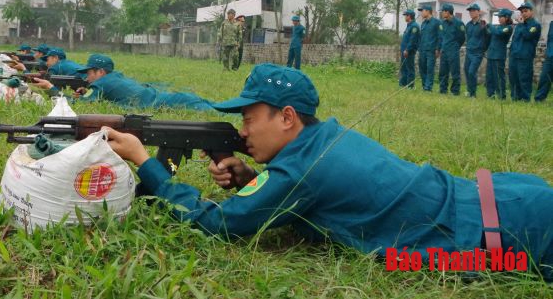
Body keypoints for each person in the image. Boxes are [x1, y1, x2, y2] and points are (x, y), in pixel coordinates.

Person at [103, 63, 553, 280]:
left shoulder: (302, 169)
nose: (243, 129)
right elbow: (301, 196)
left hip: (503, 236)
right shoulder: (324, 139)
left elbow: (218, 225)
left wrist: (146, 163)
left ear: (286, 117)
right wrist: (249, 180)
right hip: (504, 196)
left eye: (248, 118)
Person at [34, 54, 214, 111]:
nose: (87, 78)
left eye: (89, 73)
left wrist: (52, 89)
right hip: (162, 96)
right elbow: (95, 94)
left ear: (101, 72)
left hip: (160, 102)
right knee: (204, 103)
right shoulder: (113, 77)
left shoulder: (102, 83)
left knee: (212, 110)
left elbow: (77, 104)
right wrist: (88, 89)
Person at [509, 2, 542, 101]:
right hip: (514, 55)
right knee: (513, 77)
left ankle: (525, 99)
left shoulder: (535, 25)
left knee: (524, 78)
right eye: (522, 11)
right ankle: (515, 98)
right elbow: (515, 39)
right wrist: (511, 51)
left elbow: (527, 35)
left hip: (525, 56)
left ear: (531, 11)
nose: (523, 13)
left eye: (526, 11)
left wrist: (522, 24)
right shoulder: (520, 24)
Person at [485, 9, 514, 99]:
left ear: (507, 17)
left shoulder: (508, 28)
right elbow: (491, 34)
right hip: (491, 54)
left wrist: (490, 25)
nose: (498, 18)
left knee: (499, 77)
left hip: (499, 55)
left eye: (500, 17)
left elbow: (498, 33)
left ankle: (501, 95)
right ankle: (491, 94)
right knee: (489, 76)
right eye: (498, 17)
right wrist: (485, 28)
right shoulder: (497, 27)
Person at [438, 3, 465, 95]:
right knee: (443, 72)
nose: (442, 13)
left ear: (448, 12)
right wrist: (441, 47)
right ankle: (443, 90)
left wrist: (455, 46)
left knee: (455, 72)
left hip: (453, 51)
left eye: (443, 11)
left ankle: (455, 91)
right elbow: (441, 37)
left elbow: (462, 38)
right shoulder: (442, 23)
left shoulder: (459, 23)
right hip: (444, 51)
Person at [463, 3, 486, 97]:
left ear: (478, 12)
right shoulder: (468, 25)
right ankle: (469, 91)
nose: (471, 13)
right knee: (466, 70)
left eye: (473, 11)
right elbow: (467, 38)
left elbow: (487, 37)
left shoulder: (483, 24)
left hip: (477, 53)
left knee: (472, 71)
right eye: (470, 11)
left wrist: (483, 48)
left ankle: (473, 93)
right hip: (469, 51)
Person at [417, 4, 441, 92]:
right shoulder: (423, 23)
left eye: (422, 11)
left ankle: (428, 88)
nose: (421, 13)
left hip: (431, 50)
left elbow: (439, 36)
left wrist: (438, 48)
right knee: (422, 68)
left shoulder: (437, 22)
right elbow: (421, 37)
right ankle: (424, 86)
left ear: (427, 11)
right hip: (422, 50)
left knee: (430, 69)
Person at [399, 9, 420, 88]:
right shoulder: (409, 26)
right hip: (404, 51)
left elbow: (412, 40)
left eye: (406, 15)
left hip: (409, 52)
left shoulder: (414, 26)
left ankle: (410, 86)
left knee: (409, 69)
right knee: (403, 68)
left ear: (409, 16)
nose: (405, 17)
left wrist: (407, 50)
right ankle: (403, 84)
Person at [535, 21, 553, 102]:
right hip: (550, 55)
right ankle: (539, 99)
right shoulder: (552, 24)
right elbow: (549, 40)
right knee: (544, 77)